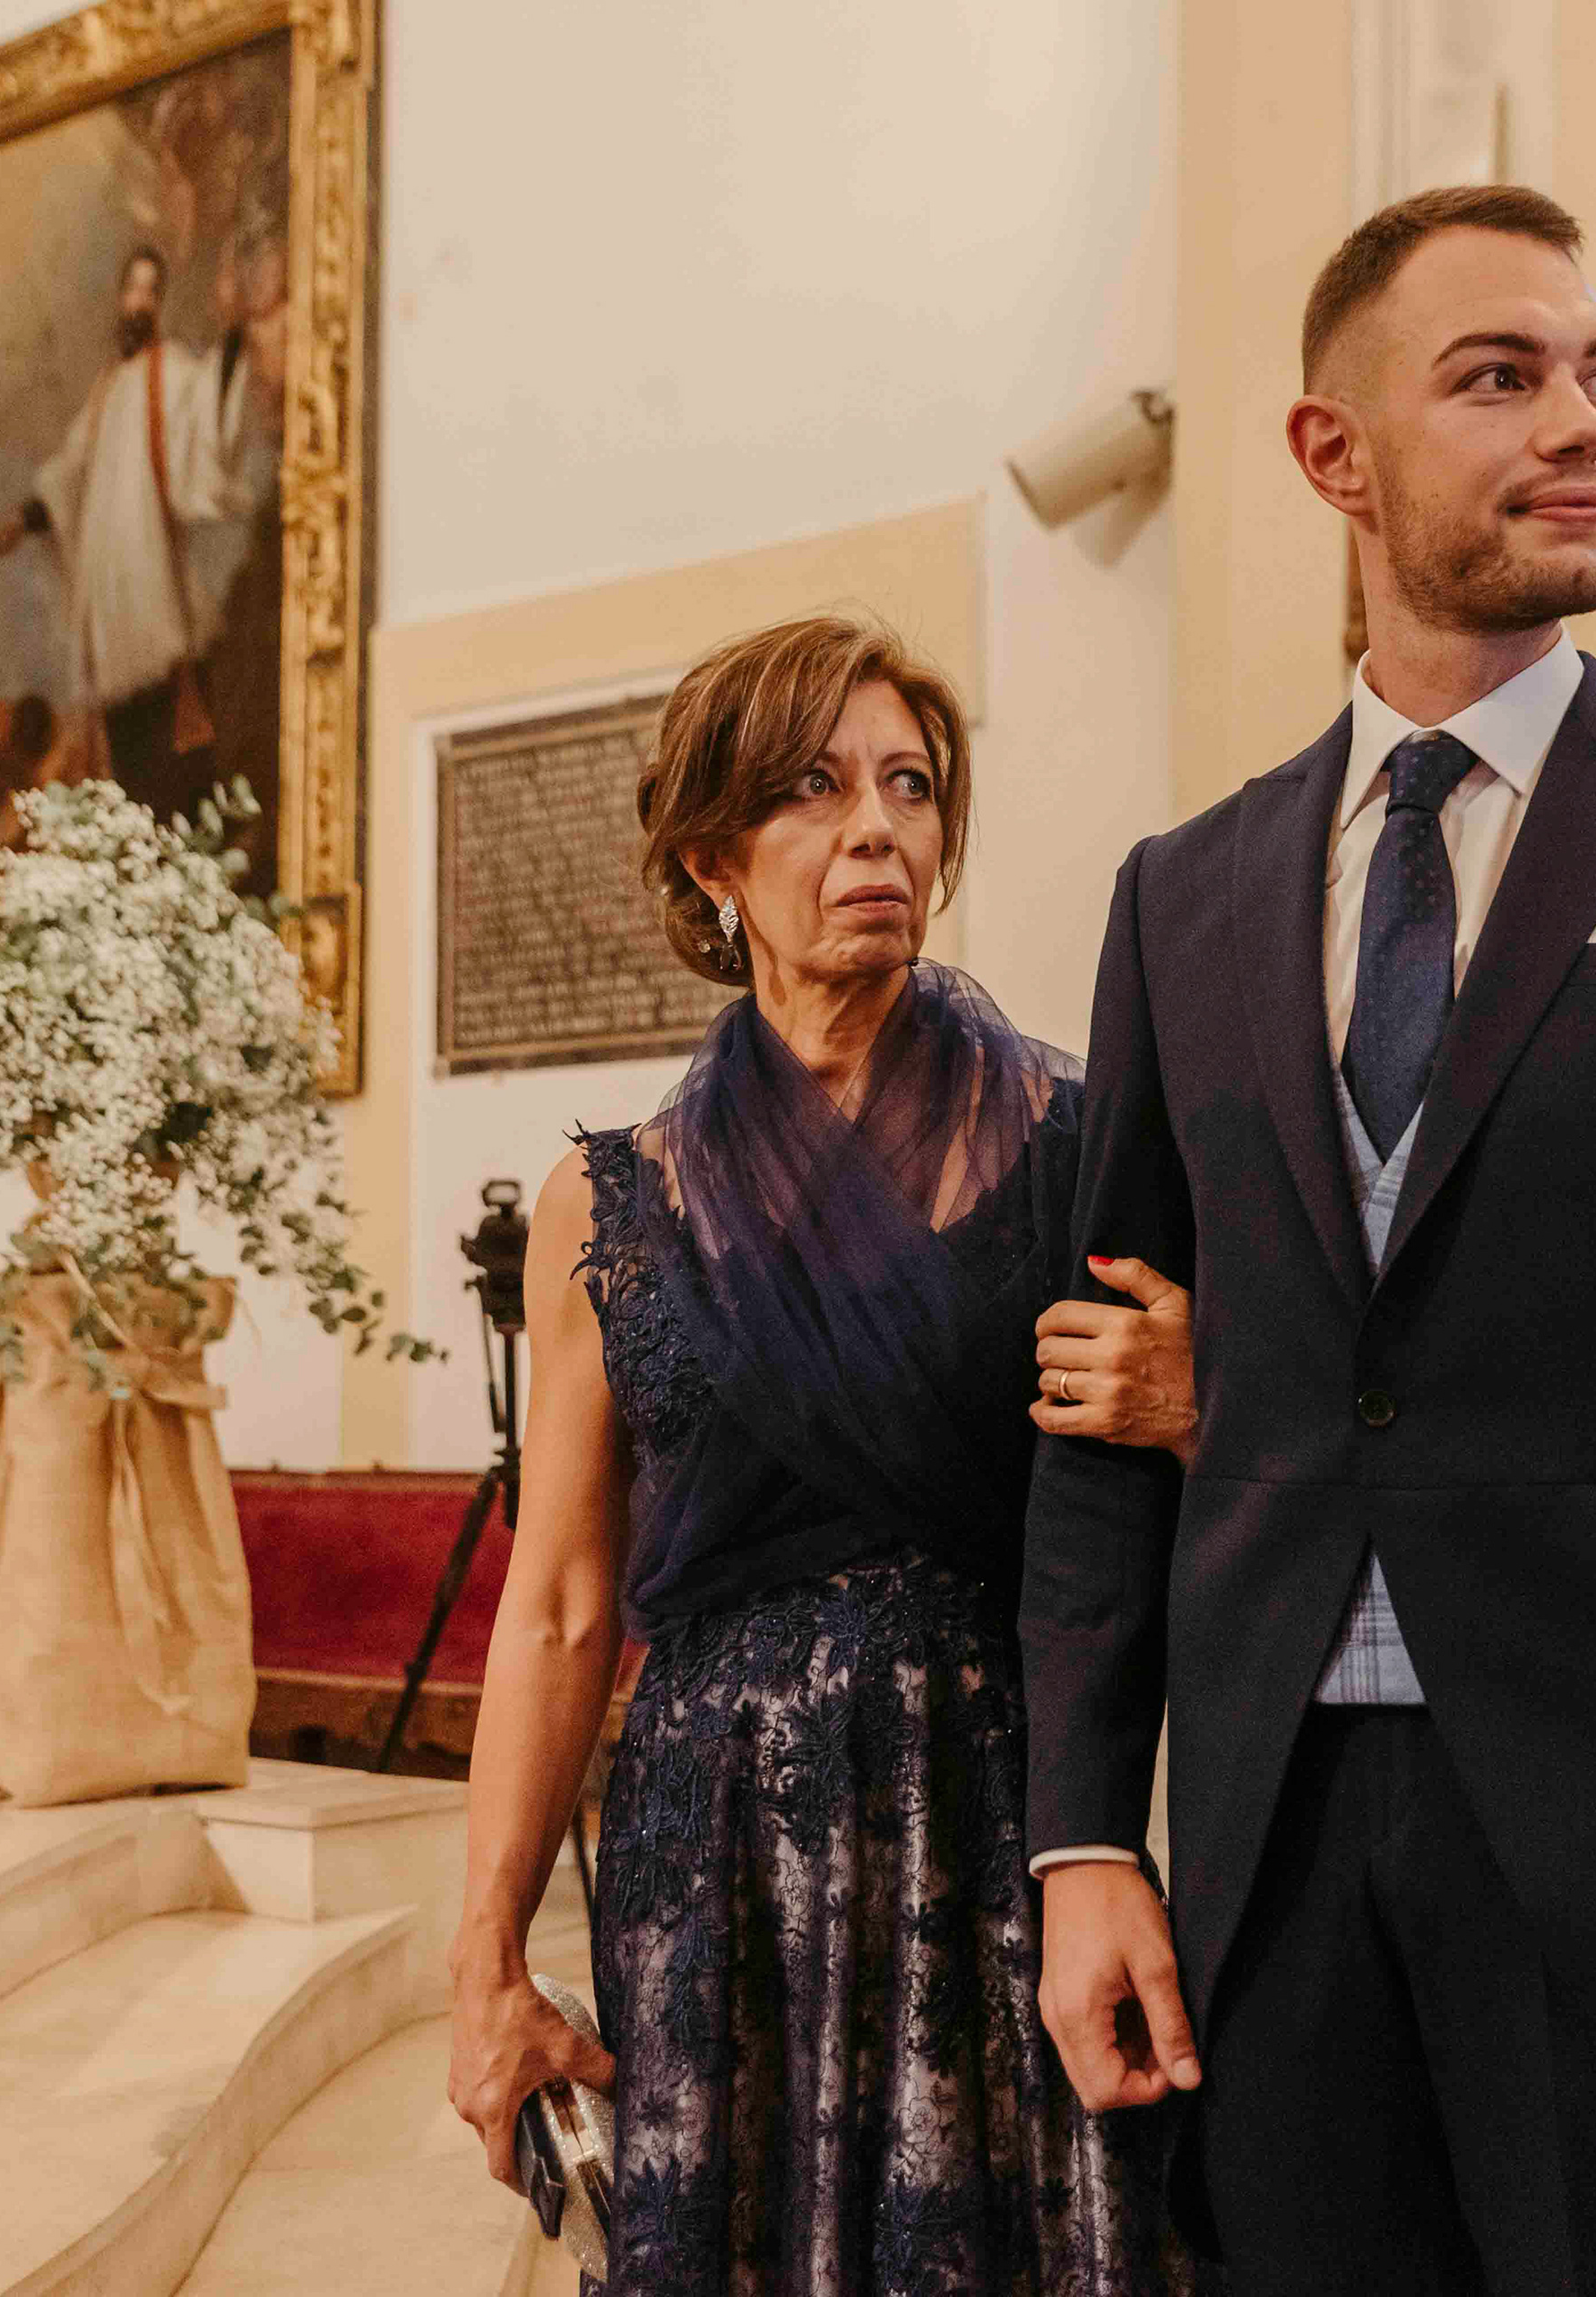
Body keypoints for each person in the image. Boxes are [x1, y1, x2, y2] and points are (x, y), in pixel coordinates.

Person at [1022, 185, 1596, 2295]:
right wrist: (1084, 1838)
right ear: (1332, 454)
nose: (1581, 421)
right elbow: (1098, 1399)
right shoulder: (1185, 896)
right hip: (1265, 1855)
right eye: (1501, 378)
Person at [446, 616, 1195, 2296]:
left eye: (910, 786)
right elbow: (560, 1603)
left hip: (993, 1821)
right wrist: (485, 1951)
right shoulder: (607, 1202)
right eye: (815, 787)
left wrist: (1198, 1394)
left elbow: (1215, 1479)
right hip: (713, 1849)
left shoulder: (1078, 1143)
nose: (877, 828)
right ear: (711, 856)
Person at [0, 240, 283, 817]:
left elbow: (207, 419)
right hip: (109, 616)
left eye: (152, 291)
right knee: (126, 757)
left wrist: (230, 338)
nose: (140, 302)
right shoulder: (105, 391)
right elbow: (71, 475)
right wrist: (23, 519)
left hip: (152, 604)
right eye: (133, 289)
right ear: (120, 299)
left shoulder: (170, 373)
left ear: (160, 304)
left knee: (173, 754)